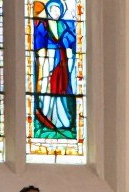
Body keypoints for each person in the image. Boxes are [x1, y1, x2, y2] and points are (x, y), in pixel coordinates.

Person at [34, 0, 77, 132]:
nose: (56, 13)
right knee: (48, 87)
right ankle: (48, 115)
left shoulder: (64, 25)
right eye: (53, 10)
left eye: (58, 10)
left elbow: (72, 40)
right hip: (49, 59)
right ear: (48, 11)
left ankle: (63, 119)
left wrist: (66, 41)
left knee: (62, 87)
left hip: (62, 60)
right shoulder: (43, 25)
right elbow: (39, 42)